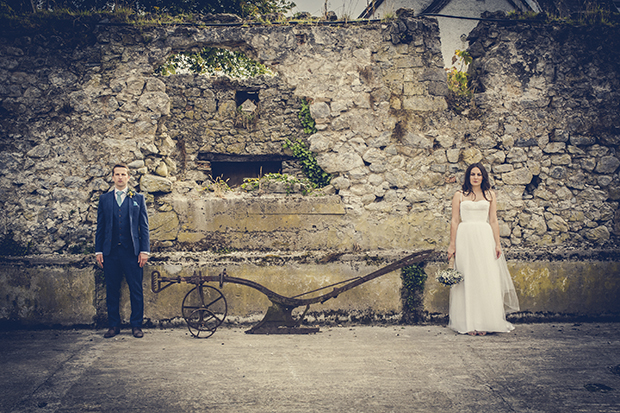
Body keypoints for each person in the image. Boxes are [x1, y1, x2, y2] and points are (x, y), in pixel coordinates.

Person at [447, 163, 519, 336]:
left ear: (483, 176)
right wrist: (452, 244)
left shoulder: (490, 195)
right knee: (468, 278)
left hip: (484, 238)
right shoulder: (459, 195)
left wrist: (497, 243)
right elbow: (455, 221)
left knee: (484, 278)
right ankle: (469, 322)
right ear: (468, 176)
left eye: (479, 174)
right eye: (472, 174)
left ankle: (484, 321)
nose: (476, 177)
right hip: (465, 238)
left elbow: (493, 220)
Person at [95, 164, 150, 338]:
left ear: (128, 177)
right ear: (113, 177)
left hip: (132, 252)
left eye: (123, 174)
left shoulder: (138, 198)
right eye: (117, 174)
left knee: (136, 289)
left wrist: (145, 251)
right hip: (110, 252)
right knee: (112, 289)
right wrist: (98, 251)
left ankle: (136, 325)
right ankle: (113, 325)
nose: (120, 177)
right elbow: (101, 227)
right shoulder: (104, 199)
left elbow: (144, 227)